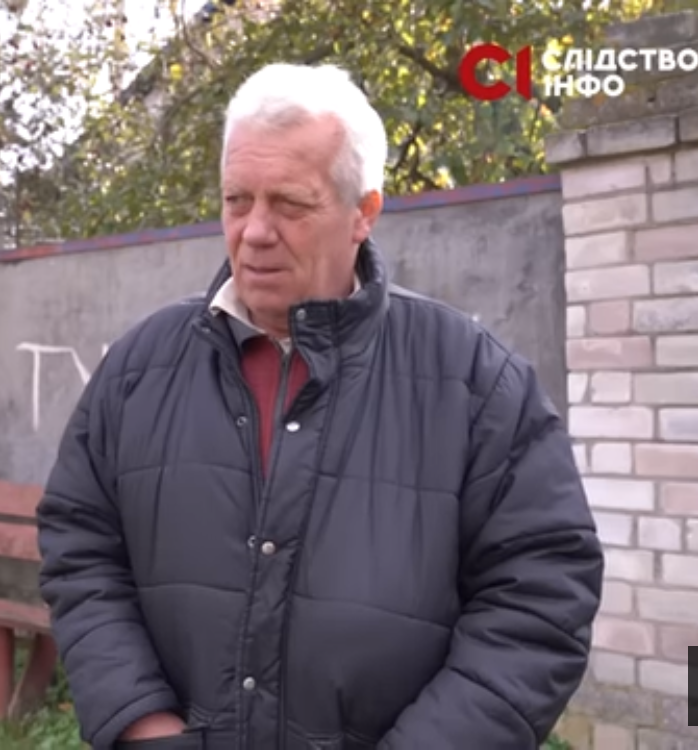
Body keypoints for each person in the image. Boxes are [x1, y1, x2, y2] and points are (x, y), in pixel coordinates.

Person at [35, 61, 604, 750]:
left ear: (364, 212)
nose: (254, 231)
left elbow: (540, 598)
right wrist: (141, 722)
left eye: (290, 205)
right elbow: (81, 547)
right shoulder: (139, 367)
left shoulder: (478, 383)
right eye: (237, 200)